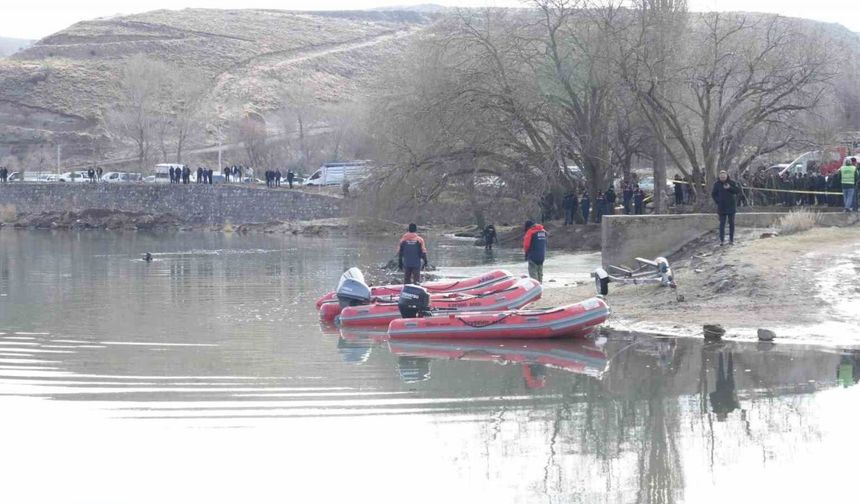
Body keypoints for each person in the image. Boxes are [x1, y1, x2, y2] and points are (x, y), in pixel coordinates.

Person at [711, 170, 739, 246]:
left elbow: (737, 191)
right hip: (721, 207)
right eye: (721, 176)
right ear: (719, 177)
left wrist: (729, 188)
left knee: (731, 223)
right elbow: (713, 194)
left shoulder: (732, 182)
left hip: (731, 206)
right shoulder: (716, 184)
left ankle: (731, 240)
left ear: (727, 176)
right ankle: (722, 240)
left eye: (724, 176)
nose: (722, 178)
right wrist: (718, 201)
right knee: (722, 224)